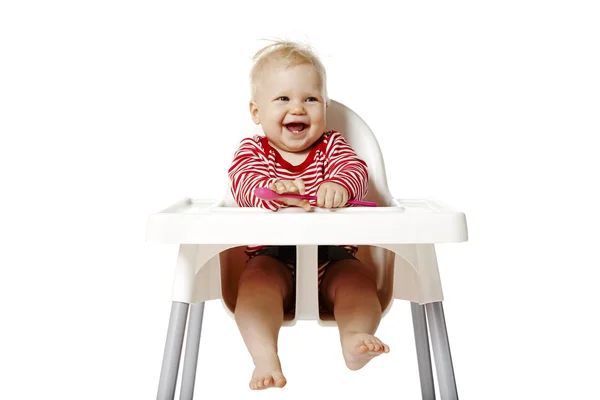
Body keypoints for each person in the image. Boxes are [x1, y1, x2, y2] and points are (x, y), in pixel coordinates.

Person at [228, 39, 389, 390]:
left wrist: (341, 186)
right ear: (257, 112)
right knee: (255, 289)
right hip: (271, 258)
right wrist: (272, 188)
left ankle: (354, 337)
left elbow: (356, 170)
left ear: (325, 106)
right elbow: (242, 182)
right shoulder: (254, 150)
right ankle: (265, 358)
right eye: (283, 99)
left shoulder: (333, 146)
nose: (298, 108)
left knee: (359, 285)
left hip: (333, 259)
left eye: (310, 99)